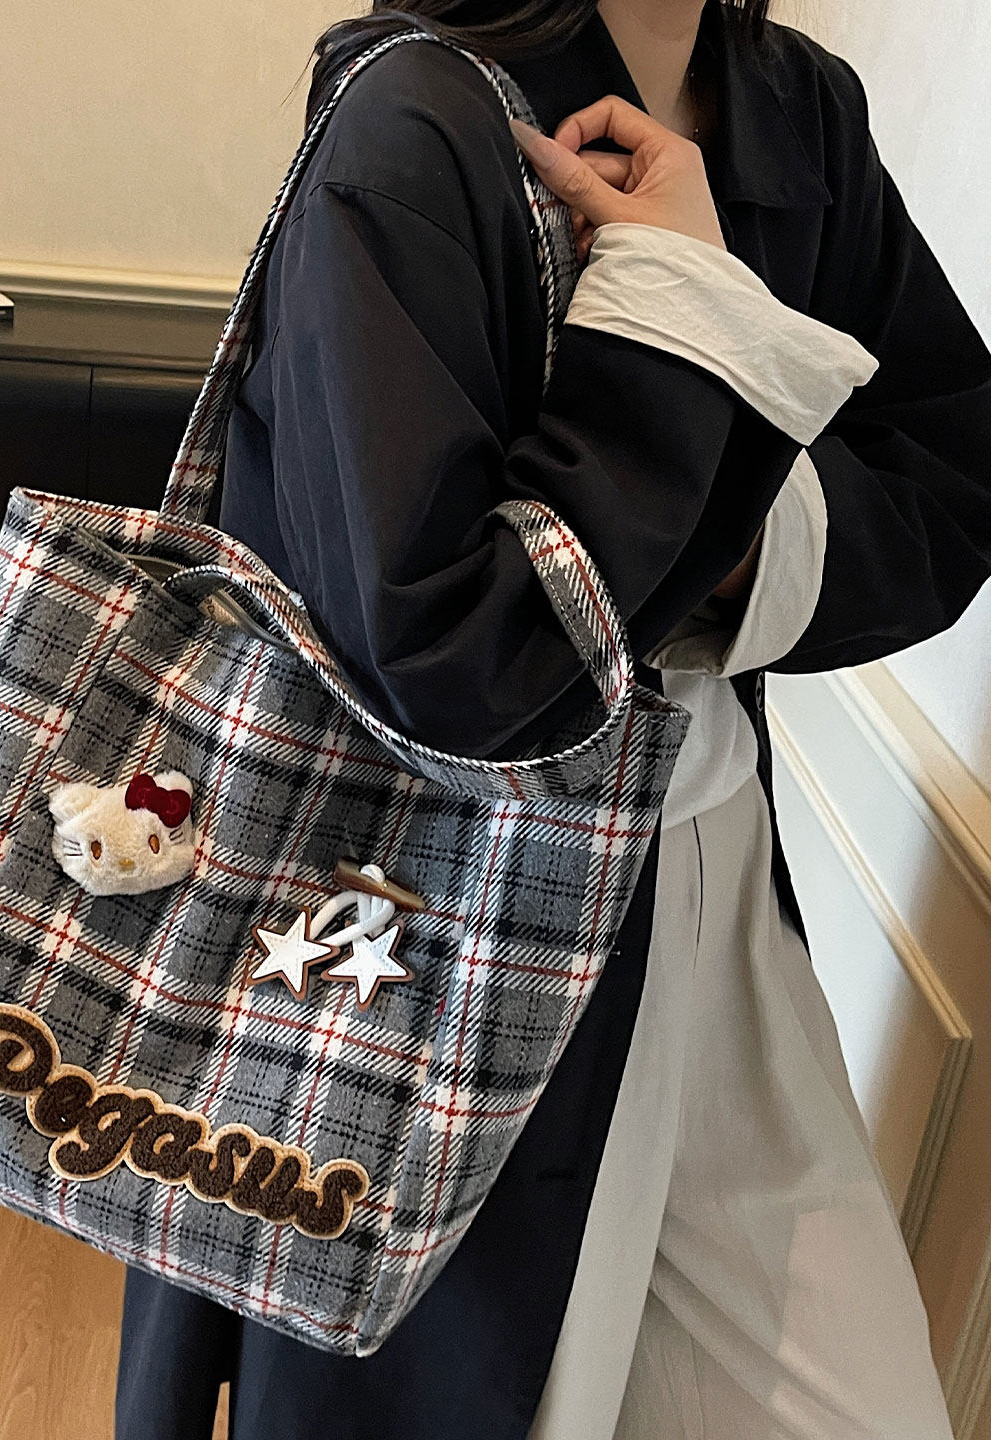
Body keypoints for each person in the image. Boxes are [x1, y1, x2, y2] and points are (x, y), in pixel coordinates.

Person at [114, 2, 991, 1435]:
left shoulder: (800, 110)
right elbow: (451, 651)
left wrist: (713, 541)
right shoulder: (415, 117)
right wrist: (688, 332)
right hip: (447, 922)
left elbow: (954, 481)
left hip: (717, 892)